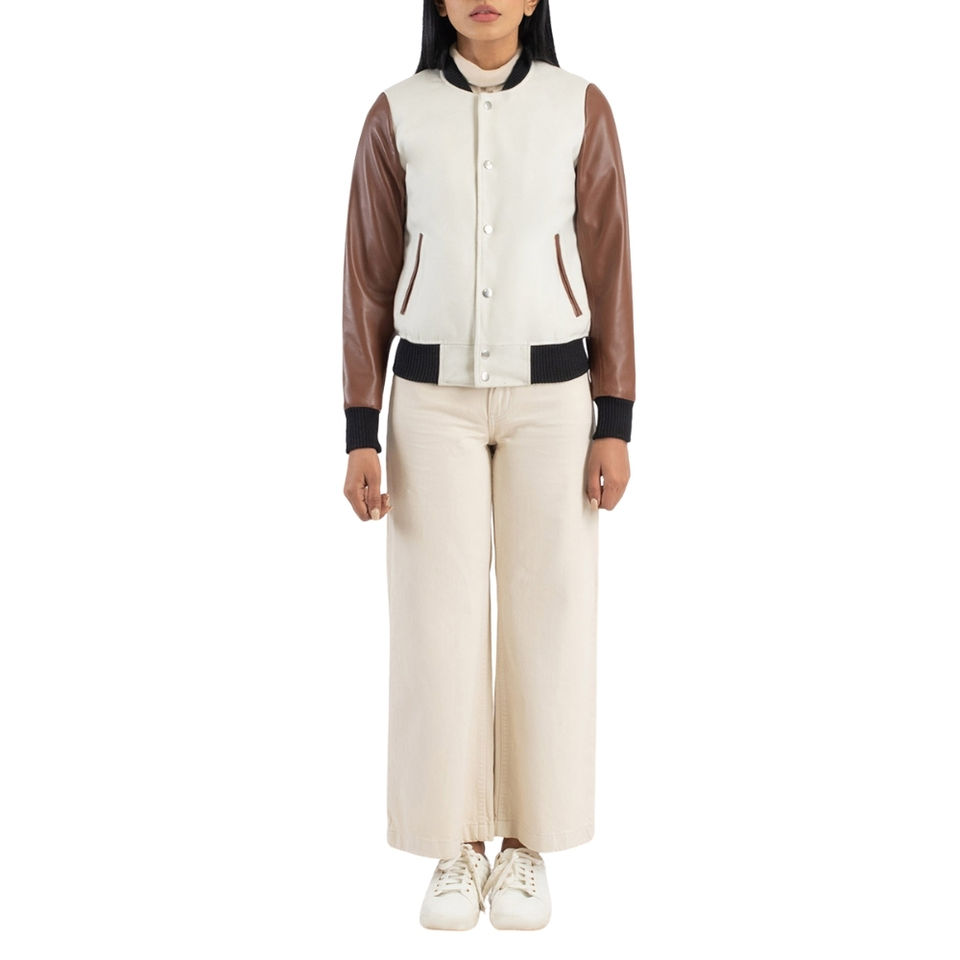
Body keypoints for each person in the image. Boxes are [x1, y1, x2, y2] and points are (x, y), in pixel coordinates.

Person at [341, 0, 635, 931]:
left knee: (551, 617)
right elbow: (367, 274)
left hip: (555, 401)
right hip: (429, 404)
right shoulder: (397, 114)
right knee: (437, 622)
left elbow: (609, 262)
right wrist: (360, 429)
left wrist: (615, 418)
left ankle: (527, 847)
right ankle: (455, 844)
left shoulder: (579, 106)